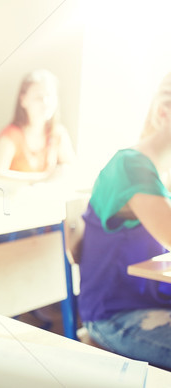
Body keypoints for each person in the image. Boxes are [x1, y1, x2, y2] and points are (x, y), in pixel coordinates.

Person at [78, 72, 171, 369]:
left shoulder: (161, 173)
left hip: (155, 303)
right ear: (163, 112)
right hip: (116, 314)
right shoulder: (130, 165)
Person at [0, 69, 75, 183]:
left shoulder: (58, 134)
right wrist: (43, 178)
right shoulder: (11, 135)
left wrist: (64, 170)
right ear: (23, 100)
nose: (46, 102)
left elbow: (72, 168)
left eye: (50, 96)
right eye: (39, 97)